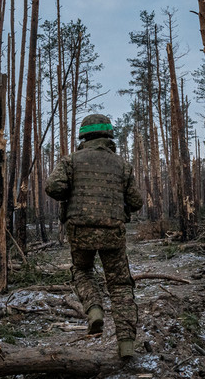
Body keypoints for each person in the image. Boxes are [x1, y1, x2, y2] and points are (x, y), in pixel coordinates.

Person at [46, 113, 143, 360]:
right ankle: (126, 345)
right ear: (109, 135)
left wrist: (73, 190)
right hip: (112, 231)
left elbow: (53, 187)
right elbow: (136, 201)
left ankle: (94, 309)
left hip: (80, 231)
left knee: (82, 271)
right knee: (120, 286)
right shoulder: (122, 165)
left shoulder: (70, 161)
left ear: (83, 136)